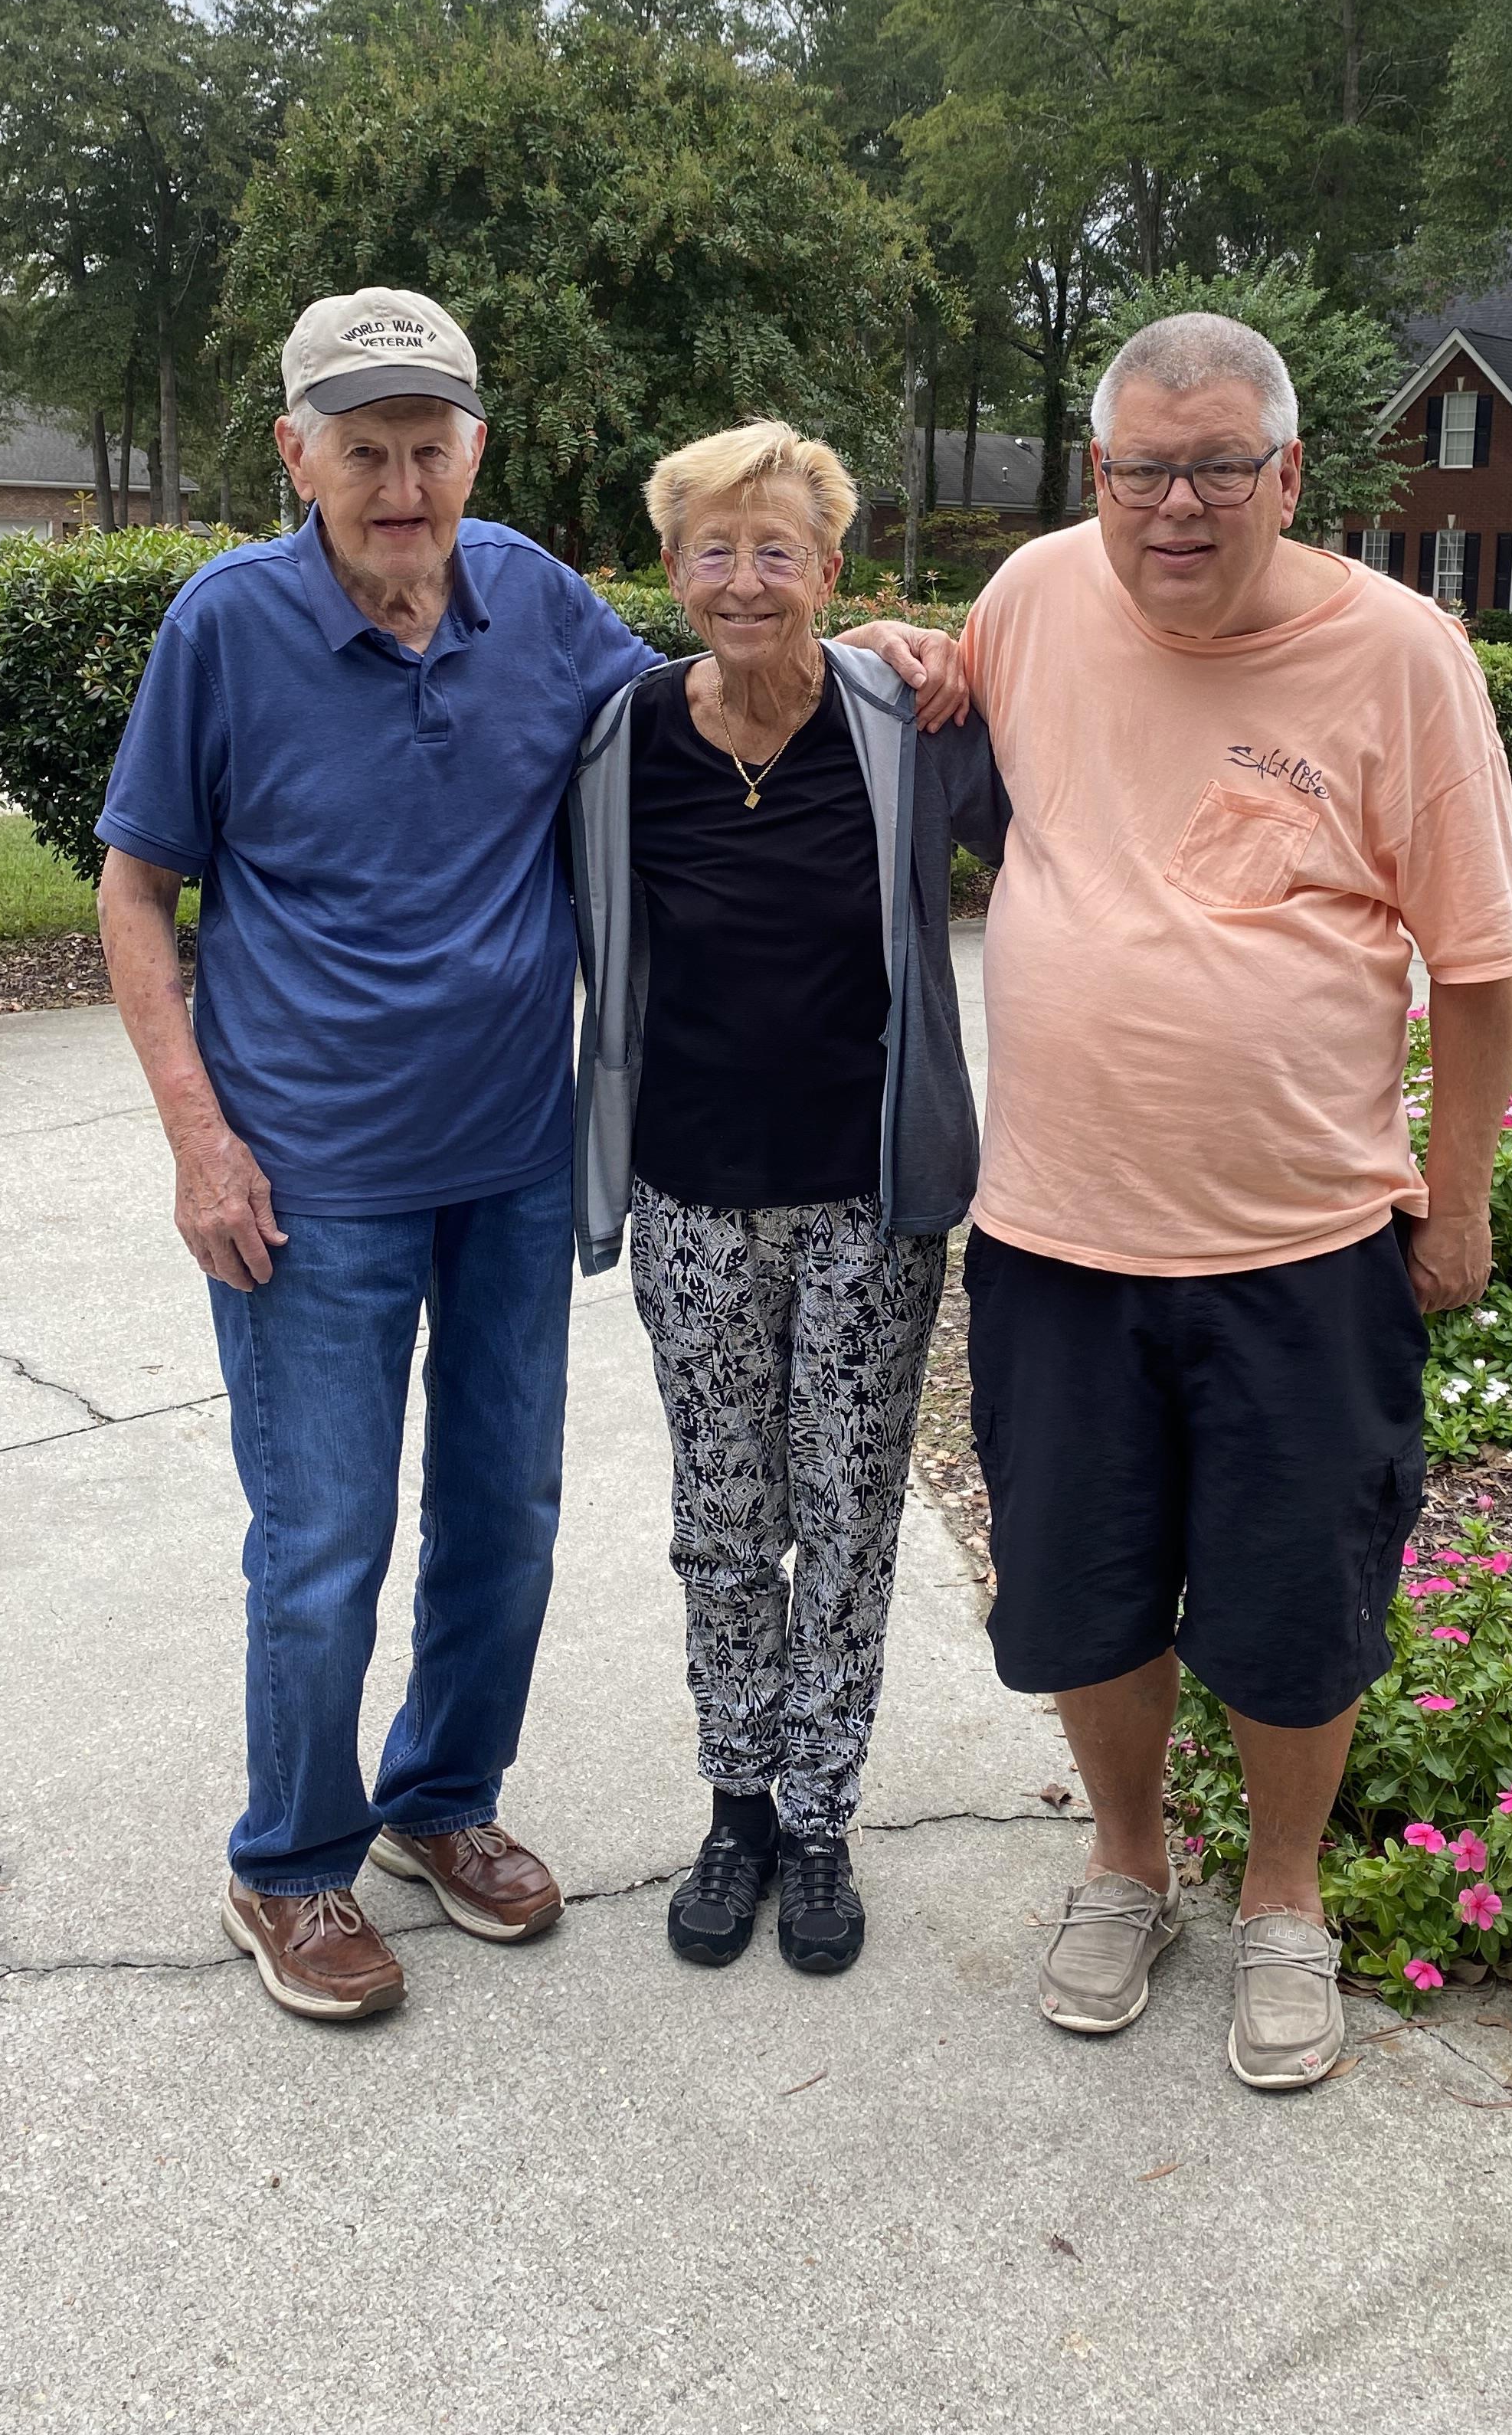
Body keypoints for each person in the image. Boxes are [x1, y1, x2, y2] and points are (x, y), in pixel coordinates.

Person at [95, 290, 958, 2023]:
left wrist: (899, 651)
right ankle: (291, 1865)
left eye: (429, 446)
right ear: (299, 455)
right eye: (365, 448)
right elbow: (135, 891)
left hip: (509, 1162)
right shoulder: (226, 627)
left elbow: (722, 688)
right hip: (307, 1172)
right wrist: (200, 1144)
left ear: (472, 453)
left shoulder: (535, 606)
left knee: (506, 1515)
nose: (400, 482)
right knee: (326, 1535)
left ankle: (439, 1806)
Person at [958, 310, 1512, 2092]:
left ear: (1290, 475)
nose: (1177, 507)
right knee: (1081, 1589)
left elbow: (1483, 967)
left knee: (1297, 1599)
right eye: (1142, 470)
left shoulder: (1404, 654)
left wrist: (1458, 1200)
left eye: (1219, 468)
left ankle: (1284, 1900)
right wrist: (897, 652)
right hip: (1056, 1229)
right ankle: (1129, 1866)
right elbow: (929, 724)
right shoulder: (1037, 597)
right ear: (1097, 476)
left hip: (1303, 1242)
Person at [569, 421, 1007, 1976]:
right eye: (713, 548)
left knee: (848, 1513)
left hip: (869, 1202)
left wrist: (956, 644)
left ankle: (822, 1815)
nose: (744, 579)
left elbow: (1065, 825)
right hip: (693, 1199)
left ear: (830, 570)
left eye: (778, 551)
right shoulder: (622, 735)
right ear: (673, 569)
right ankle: (737, 1801)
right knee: (722, 1517)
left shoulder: (904, 717)